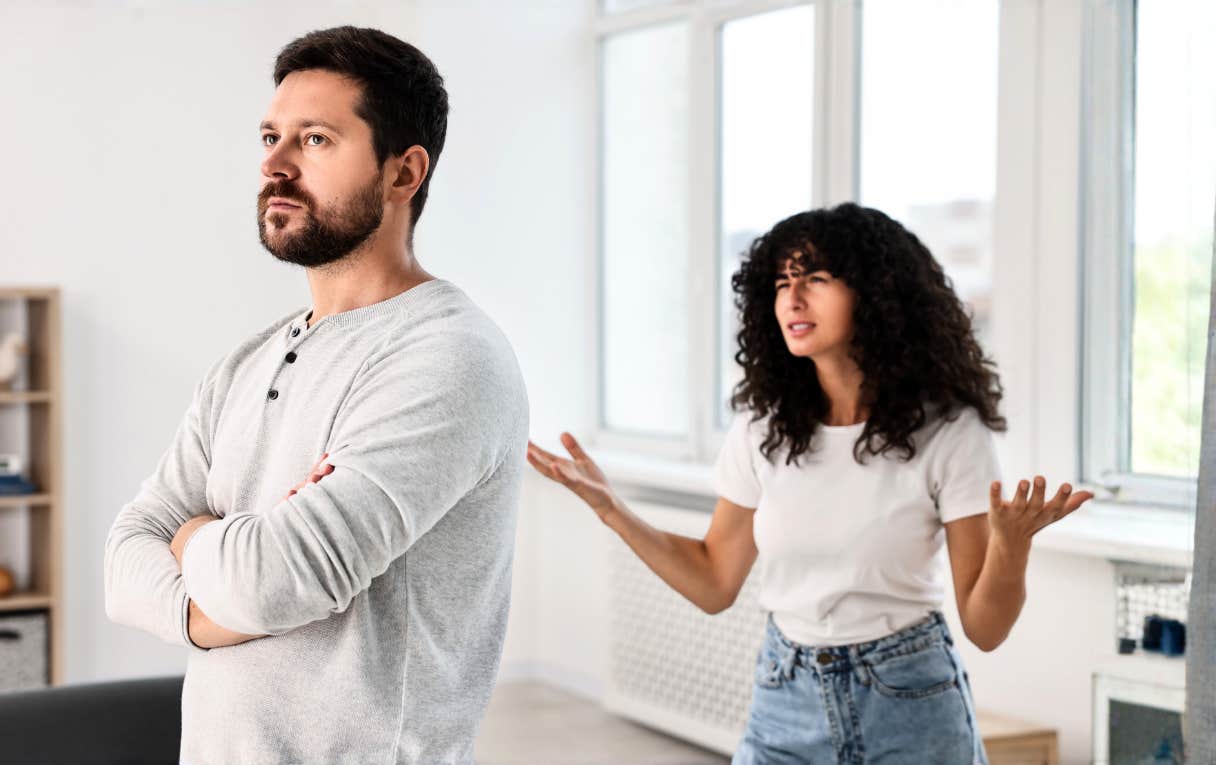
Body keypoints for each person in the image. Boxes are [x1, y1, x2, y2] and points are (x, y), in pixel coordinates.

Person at [527, 202, 1092, 764]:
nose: (792, 299)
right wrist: (612, 511)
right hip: (785, 695)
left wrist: (1012, 546)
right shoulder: (764, 427)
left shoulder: (947, 430)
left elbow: (985, 627)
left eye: (816, 279)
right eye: (782, 282)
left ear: (875, 295)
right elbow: (714, 581)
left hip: (908, 699)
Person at [104, 26, 528, 764]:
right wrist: (205, 613)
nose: (274, 163)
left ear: (404, 173)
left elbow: (274, 583)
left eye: (316, 140)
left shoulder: (451, 357)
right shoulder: (246, 361)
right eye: (271, 136)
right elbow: (122, 559)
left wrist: (193, 534)